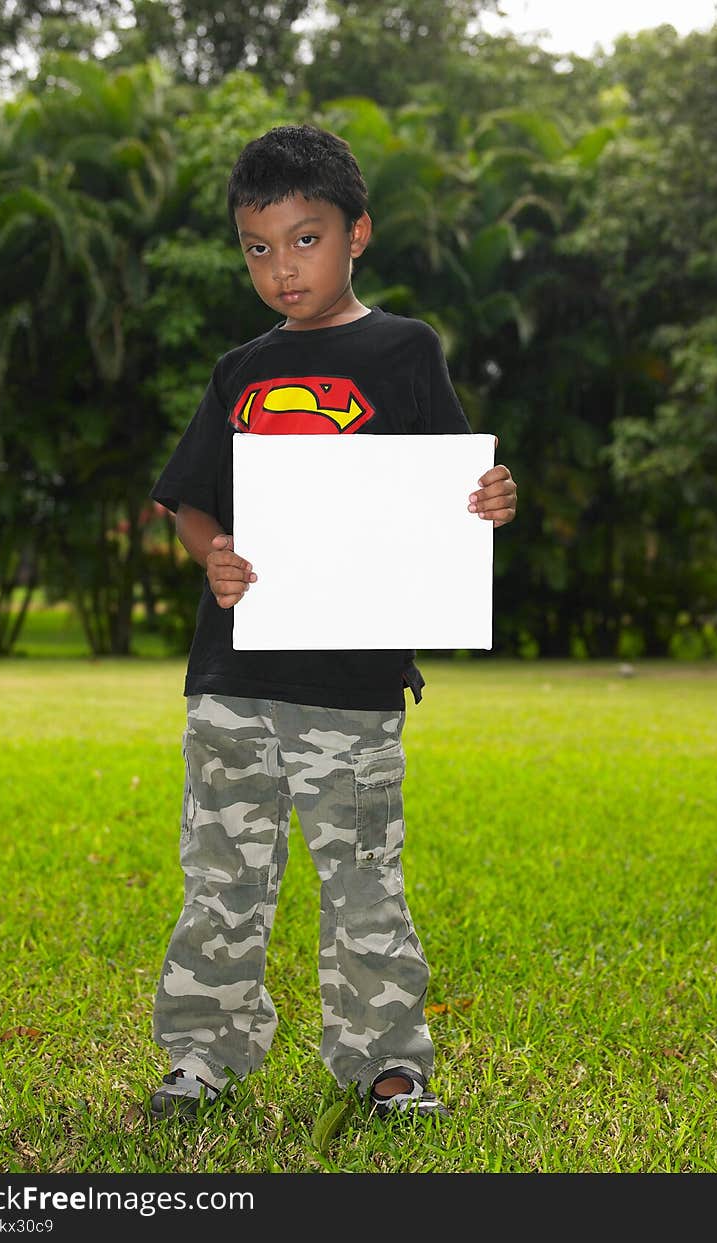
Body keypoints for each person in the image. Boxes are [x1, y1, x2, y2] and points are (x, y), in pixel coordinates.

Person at [147, 123, 517, 1123]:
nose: (280, 268)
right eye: (257, 247)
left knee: (362, 881)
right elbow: (188, 501)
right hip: (234, 675)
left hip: (350, 683)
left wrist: (488, 497)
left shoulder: (403, 350)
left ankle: (386, 1063)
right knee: (222, 880)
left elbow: (451, 482)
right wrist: (210, 553)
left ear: (358, 233)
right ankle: (201, 1056)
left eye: (303, 239)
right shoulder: (239, 369)